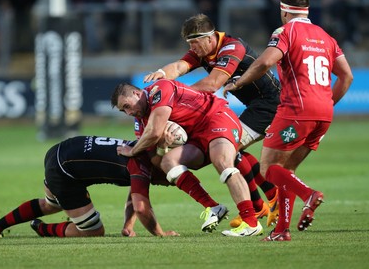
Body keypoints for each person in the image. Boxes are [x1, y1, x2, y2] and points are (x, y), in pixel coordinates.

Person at [224, 0, 353, 241]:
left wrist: (239, 82)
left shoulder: (286, 31)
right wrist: (326, 104)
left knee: (269, 169)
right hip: (324, 114)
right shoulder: (324, 35)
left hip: (296, 110)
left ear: (284, 11)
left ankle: (309, 195)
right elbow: (346, 76)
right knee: (287, 170)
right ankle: (282, 230)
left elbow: (265, 61)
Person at [143, 13, 281, 228]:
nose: (193, 48)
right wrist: (162, 73)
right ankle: (266, 200)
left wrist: (175, 95)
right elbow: (179, 67)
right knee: (230, 150)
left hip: (269, 105)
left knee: (227, 149)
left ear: (210, 38)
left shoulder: (232, 47)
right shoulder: (203, 51)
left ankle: (264, 202)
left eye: (196, 43)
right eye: (190, 44)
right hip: (255, 106)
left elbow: (212, 83)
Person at [111, 79, 264, 237]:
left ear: (137, 94)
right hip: (196, 138)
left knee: (223, 162)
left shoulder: (159, 89)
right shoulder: (141, 123)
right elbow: (156, 161)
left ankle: (251, 222)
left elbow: (155, 132)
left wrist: (133, 150)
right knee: (168, 162)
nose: (129, 113)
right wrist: (163, 146)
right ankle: (213, 207)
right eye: (124, 111)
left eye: (127, 106)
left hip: (215, 117)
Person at [0, 135, 193, 238]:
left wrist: (128, 226)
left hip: (61, 150)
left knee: (52, 205)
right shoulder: (142, 169)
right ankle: (43, 229)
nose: (167, 185)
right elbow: (141, 207)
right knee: (93, 230)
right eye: (170, 180)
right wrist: (161, 233)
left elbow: (134, 196)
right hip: (65, 171)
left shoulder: (143, 149)